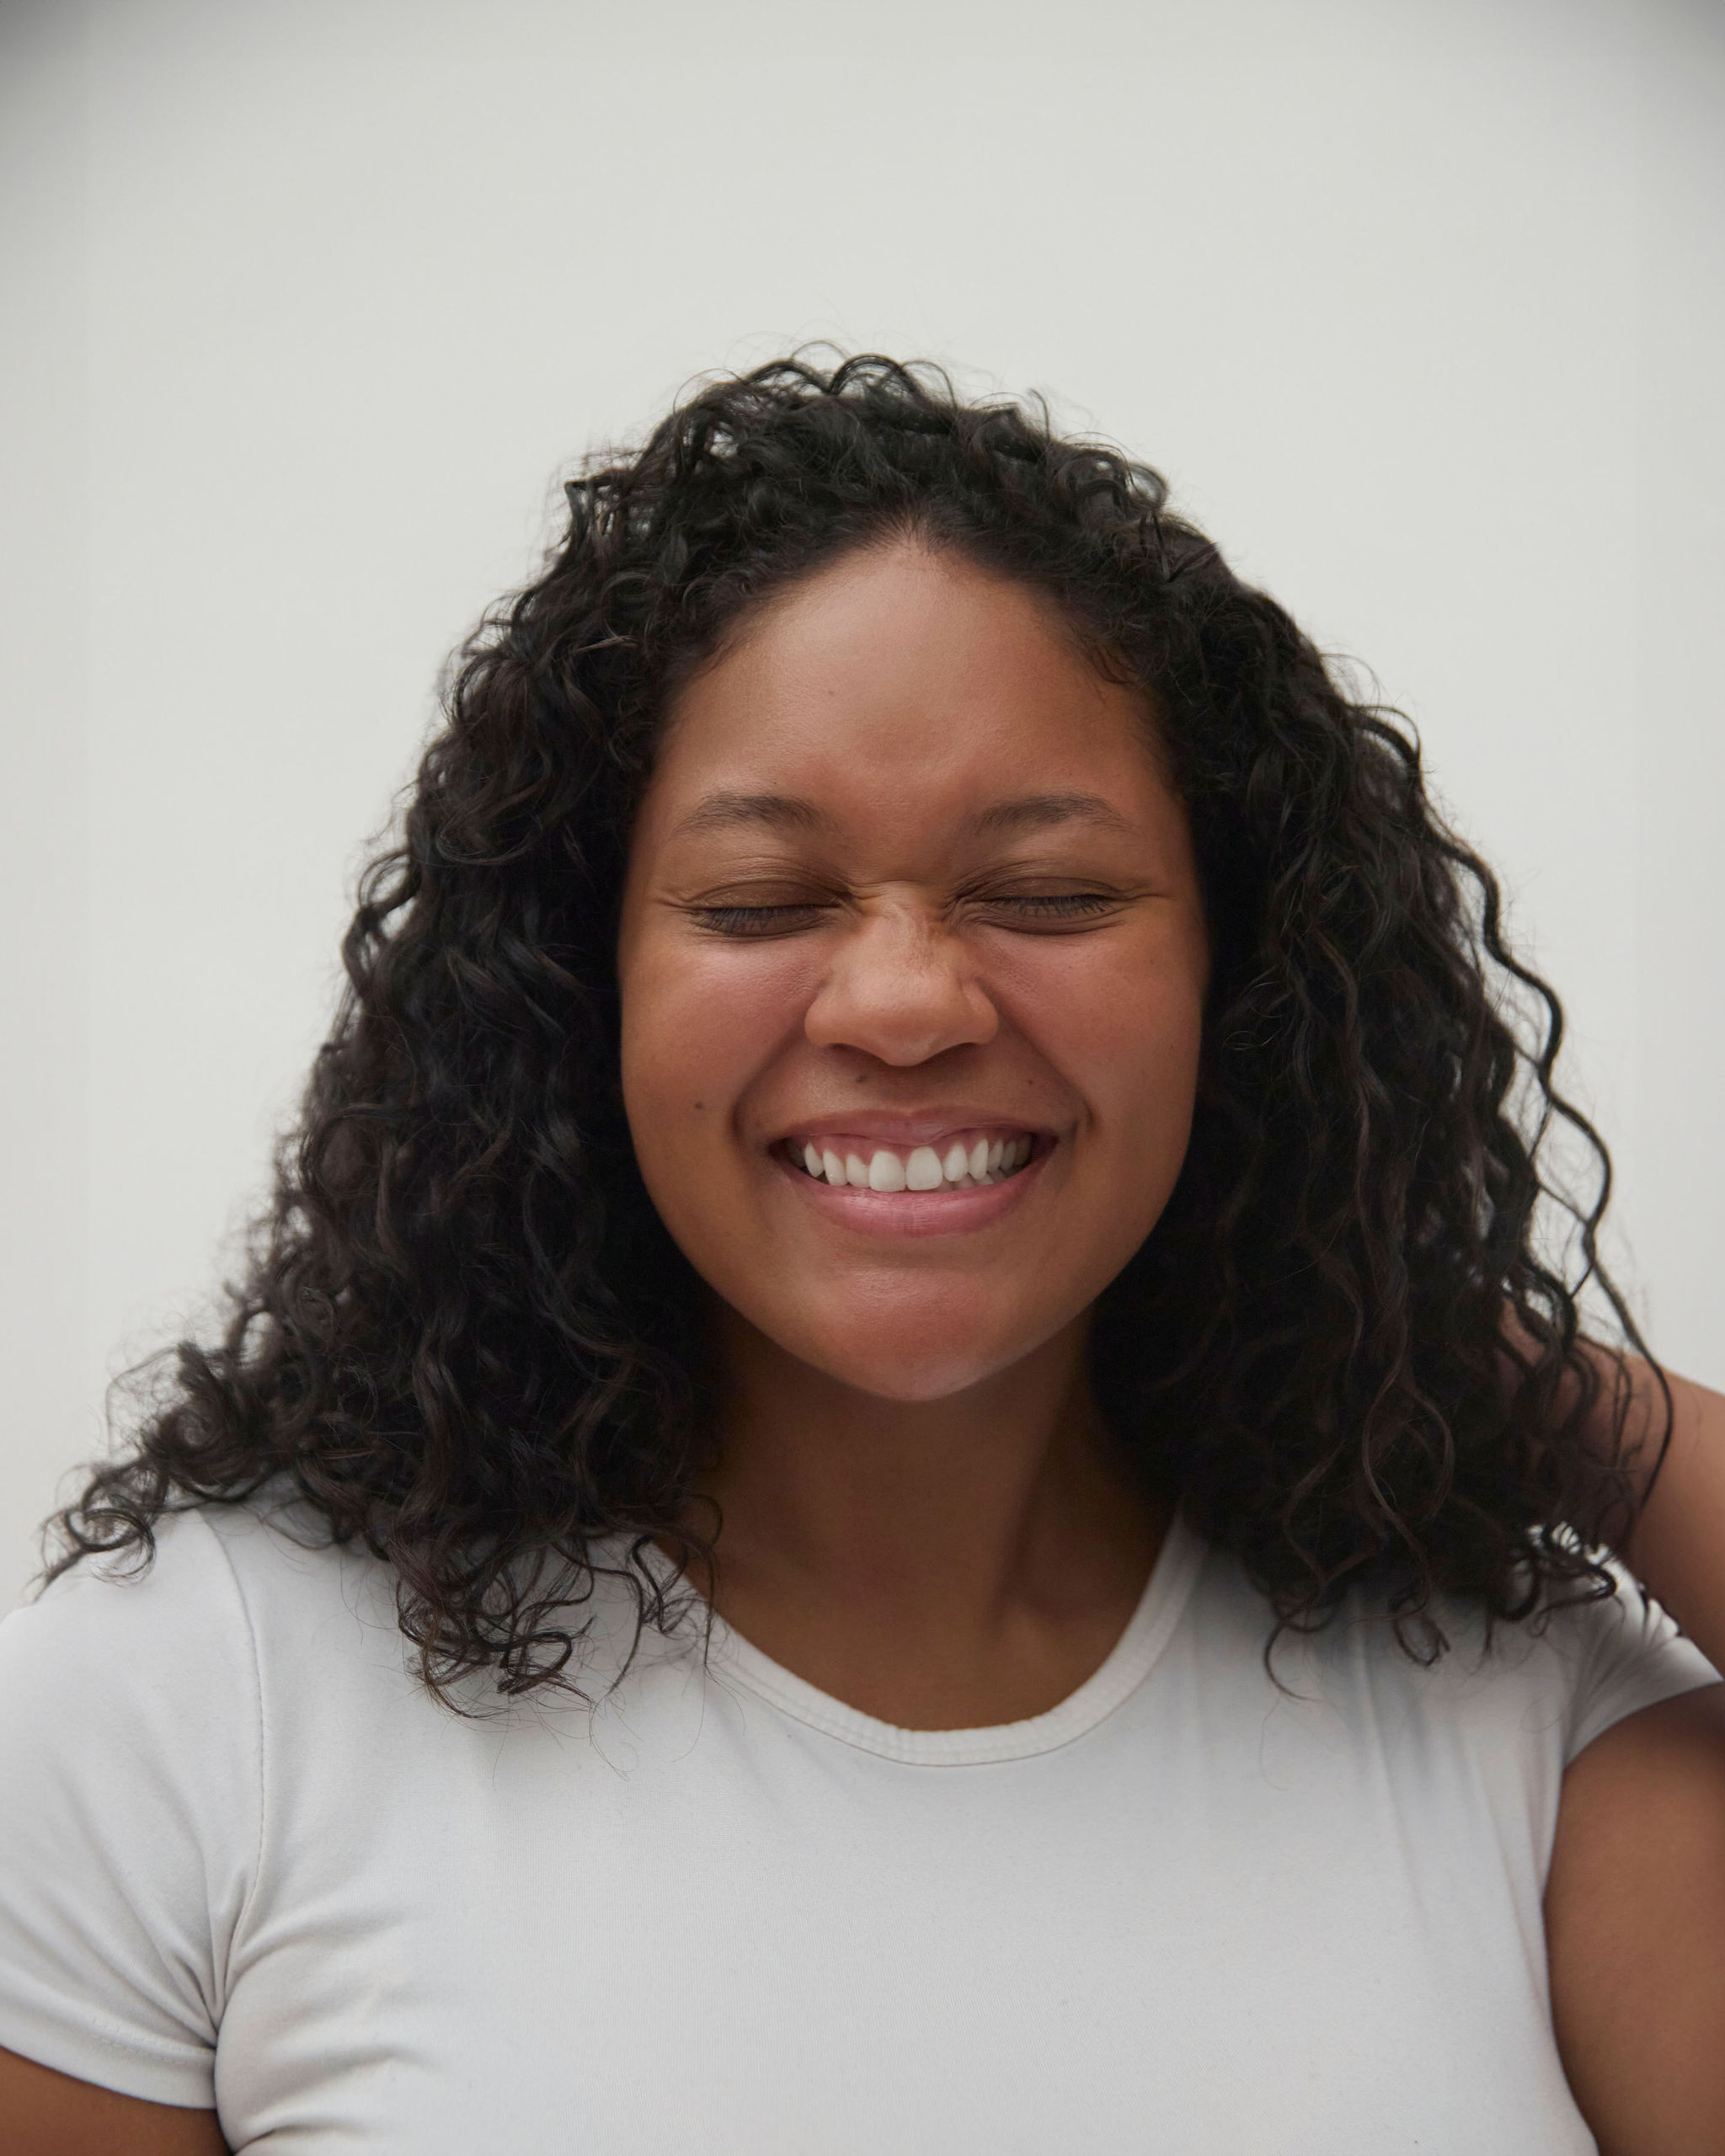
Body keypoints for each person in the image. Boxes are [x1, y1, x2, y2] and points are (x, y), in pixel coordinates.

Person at [2, 355, 1722, 2156]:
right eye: (759, 904)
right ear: (584, 987)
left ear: (1245, 982)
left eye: (1049, 895)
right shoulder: (197, 1700)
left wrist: (1505, 1379)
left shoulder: (1514, 1708)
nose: (904, 1002)